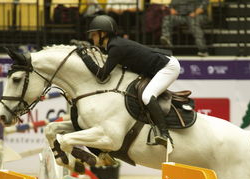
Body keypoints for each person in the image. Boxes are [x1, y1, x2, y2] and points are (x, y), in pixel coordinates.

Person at [76, 15, 180, 147]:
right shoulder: (114, 45)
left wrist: (85, 57)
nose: (92, 38)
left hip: (168, 67)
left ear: (104, 34)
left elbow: (101, 74)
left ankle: (164, 134)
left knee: (147, 96)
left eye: (95, 34)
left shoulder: (116, 47)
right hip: (158, 65)